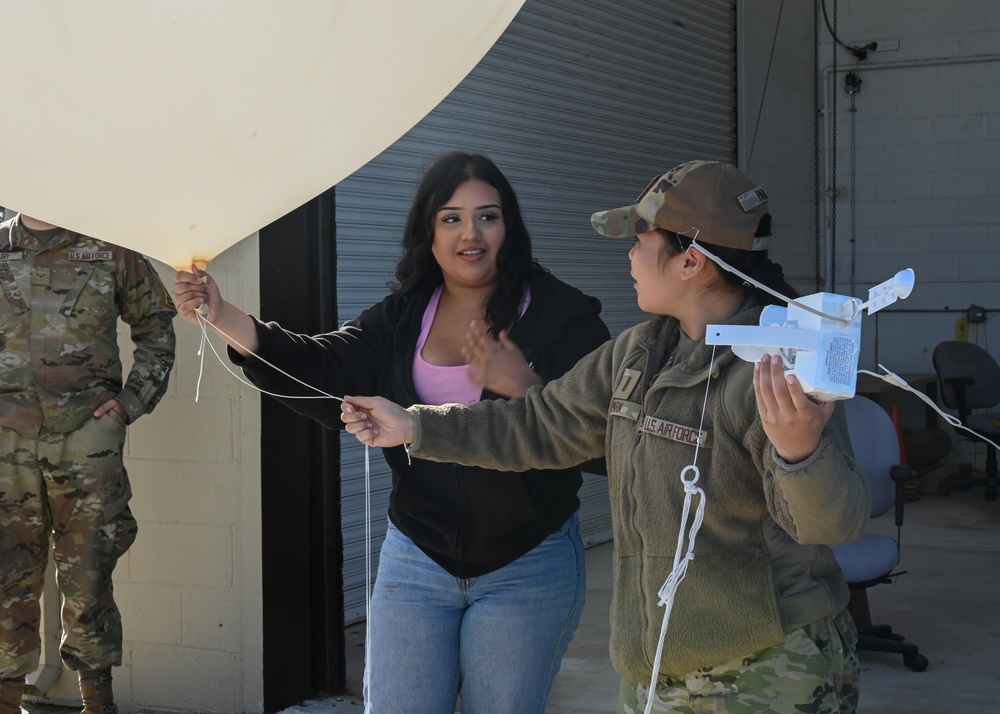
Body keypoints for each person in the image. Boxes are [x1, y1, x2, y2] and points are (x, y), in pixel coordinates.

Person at [339, 161, 872, 714]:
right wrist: (417, 426)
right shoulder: (637, 352)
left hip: (769, 669)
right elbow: (540, 423)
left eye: (641, 241)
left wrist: (799, 451)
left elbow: (834, 524)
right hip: (657, 666)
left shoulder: (779, 367)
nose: (630, 256)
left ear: (689, 261)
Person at [171, 152, 610, 713]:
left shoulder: (561, 317)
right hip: (418, 555)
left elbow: (604, 439)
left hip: (527, 561)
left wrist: (525, 384)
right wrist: (223, 313)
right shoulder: (405, 314)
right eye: (451, 217)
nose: (470, 234)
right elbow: (326, 365)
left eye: (488, 216)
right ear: (427, 231)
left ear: (510, 226)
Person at [0, 214, 177, 714]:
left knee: (90, 573)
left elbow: (156, 329)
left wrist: (129, 404)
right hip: (5, 444)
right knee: (5, 576)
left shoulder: (112, 248)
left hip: (85, 441)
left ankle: (97, 703)